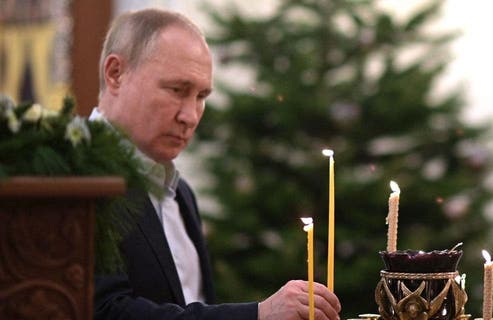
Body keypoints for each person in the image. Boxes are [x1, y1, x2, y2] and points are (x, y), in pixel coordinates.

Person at [92, 8, 341, 320]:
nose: (190, 116)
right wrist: (258, 314)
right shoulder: (72, 177)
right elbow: (105, 312)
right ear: (115, 73)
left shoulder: (180, 193)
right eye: (177, 90)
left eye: (201, 96)